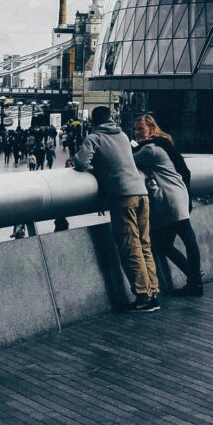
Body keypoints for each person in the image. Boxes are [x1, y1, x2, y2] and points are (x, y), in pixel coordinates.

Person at [74, 106, 159, 312]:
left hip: (123, 196)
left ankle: (143, 296)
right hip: (142, 193)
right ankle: (153, 291)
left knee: (130, 247)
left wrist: (99, 170)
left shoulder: (95, 137)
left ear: (93, 122)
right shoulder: (122, 135)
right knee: (144, 244)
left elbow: (80, 162)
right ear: (110, 119)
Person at [133, 113, 203, 296]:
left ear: (151, 129)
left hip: (171, 199)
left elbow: (129, 162)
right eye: (135, 129)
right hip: (179, 195)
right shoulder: (162, 144)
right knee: (172, 243)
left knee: (185, 240)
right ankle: (194, 279)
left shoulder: (150, 150)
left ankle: (195, 282)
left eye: (141, 128)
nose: (136, 132)